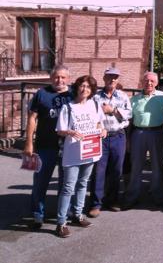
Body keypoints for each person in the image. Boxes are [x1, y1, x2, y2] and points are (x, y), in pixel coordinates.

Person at [55, 75, 107, 238]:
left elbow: (99, 122)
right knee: (68, 187)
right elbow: (59, 130)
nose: (85, 89)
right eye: (82, 86)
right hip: (73, 153)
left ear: (92, 91)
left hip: (90, 151)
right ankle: (61, 222)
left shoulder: (95, 104)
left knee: (83, 183)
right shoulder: (68, 107)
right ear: (77, 87)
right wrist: (70, 132)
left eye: (88, 87)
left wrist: (103, 130)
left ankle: (78, 215)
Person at [23, 64, 73, 230]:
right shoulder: (41, 94)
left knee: (65, 183)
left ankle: (63, 213)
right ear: (51, 78)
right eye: (56, 77)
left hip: (69, 147)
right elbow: (32, 119)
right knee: (40, 182)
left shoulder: (74, 94)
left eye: (63, 77)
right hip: (45, 145)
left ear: (68, 79)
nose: (60, 80)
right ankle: (38, 214)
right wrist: (29, 143)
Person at [89, 67, 132, 217]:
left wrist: (112, 110)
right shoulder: (96, 97)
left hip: (118, 135)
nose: (112, 80)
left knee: (116, 170)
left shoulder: (123, 96)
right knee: (99, 170)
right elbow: (91, 116)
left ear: (118, 80)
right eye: (109, 77)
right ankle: (96, 203)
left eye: (115, 77)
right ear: (104, 78)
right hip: (100, 136)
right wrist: (99, 127)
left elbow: (128, 114)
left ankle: (113, 200)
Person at [124, 72, 163, 209]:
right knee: (136, 167)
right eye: (146, 80)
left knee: (157, 167)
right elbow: (130, 120)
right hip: (138, 133)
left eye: (152, 81)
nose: (149, 83)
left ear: (156, 83)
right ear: (142, 82)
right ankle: (132, 196)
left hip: (157, 132)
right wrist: (128, 139)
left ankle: (157, 196)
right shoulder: (134, 99)